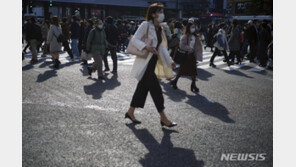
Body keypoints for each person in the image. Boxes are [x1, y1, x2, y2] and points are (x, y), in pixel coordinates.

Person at [126, 3, 177, 127]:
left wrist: (170, 61)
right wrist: (146, 47)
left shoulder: (159, 28)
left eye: (162, 11)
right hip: (146, 63)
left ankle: (130, 112)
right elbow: (134, 39)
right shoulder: (146, 25)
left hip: (153, 63)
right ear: (153, 14)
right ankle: (163, 118)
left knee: (142, 89)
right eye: (160, 11)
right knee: (156, 90)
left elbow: (161, 48)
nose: (162, 14)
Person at [170, 22, 203, 92]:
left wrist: (200, 38)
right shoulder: (185, 36)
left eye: (194, 27)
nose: (193, 28)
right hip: (187, 55)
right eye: (192, 27)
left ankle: (193, 85)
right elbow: (181, 45)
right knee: (182, 70)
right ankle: (175, 81)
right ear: (188, 28)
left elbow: (197, 45)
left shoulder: (195, 36)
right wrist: (189, 48)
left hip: (192, 55)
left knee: (194, 71)